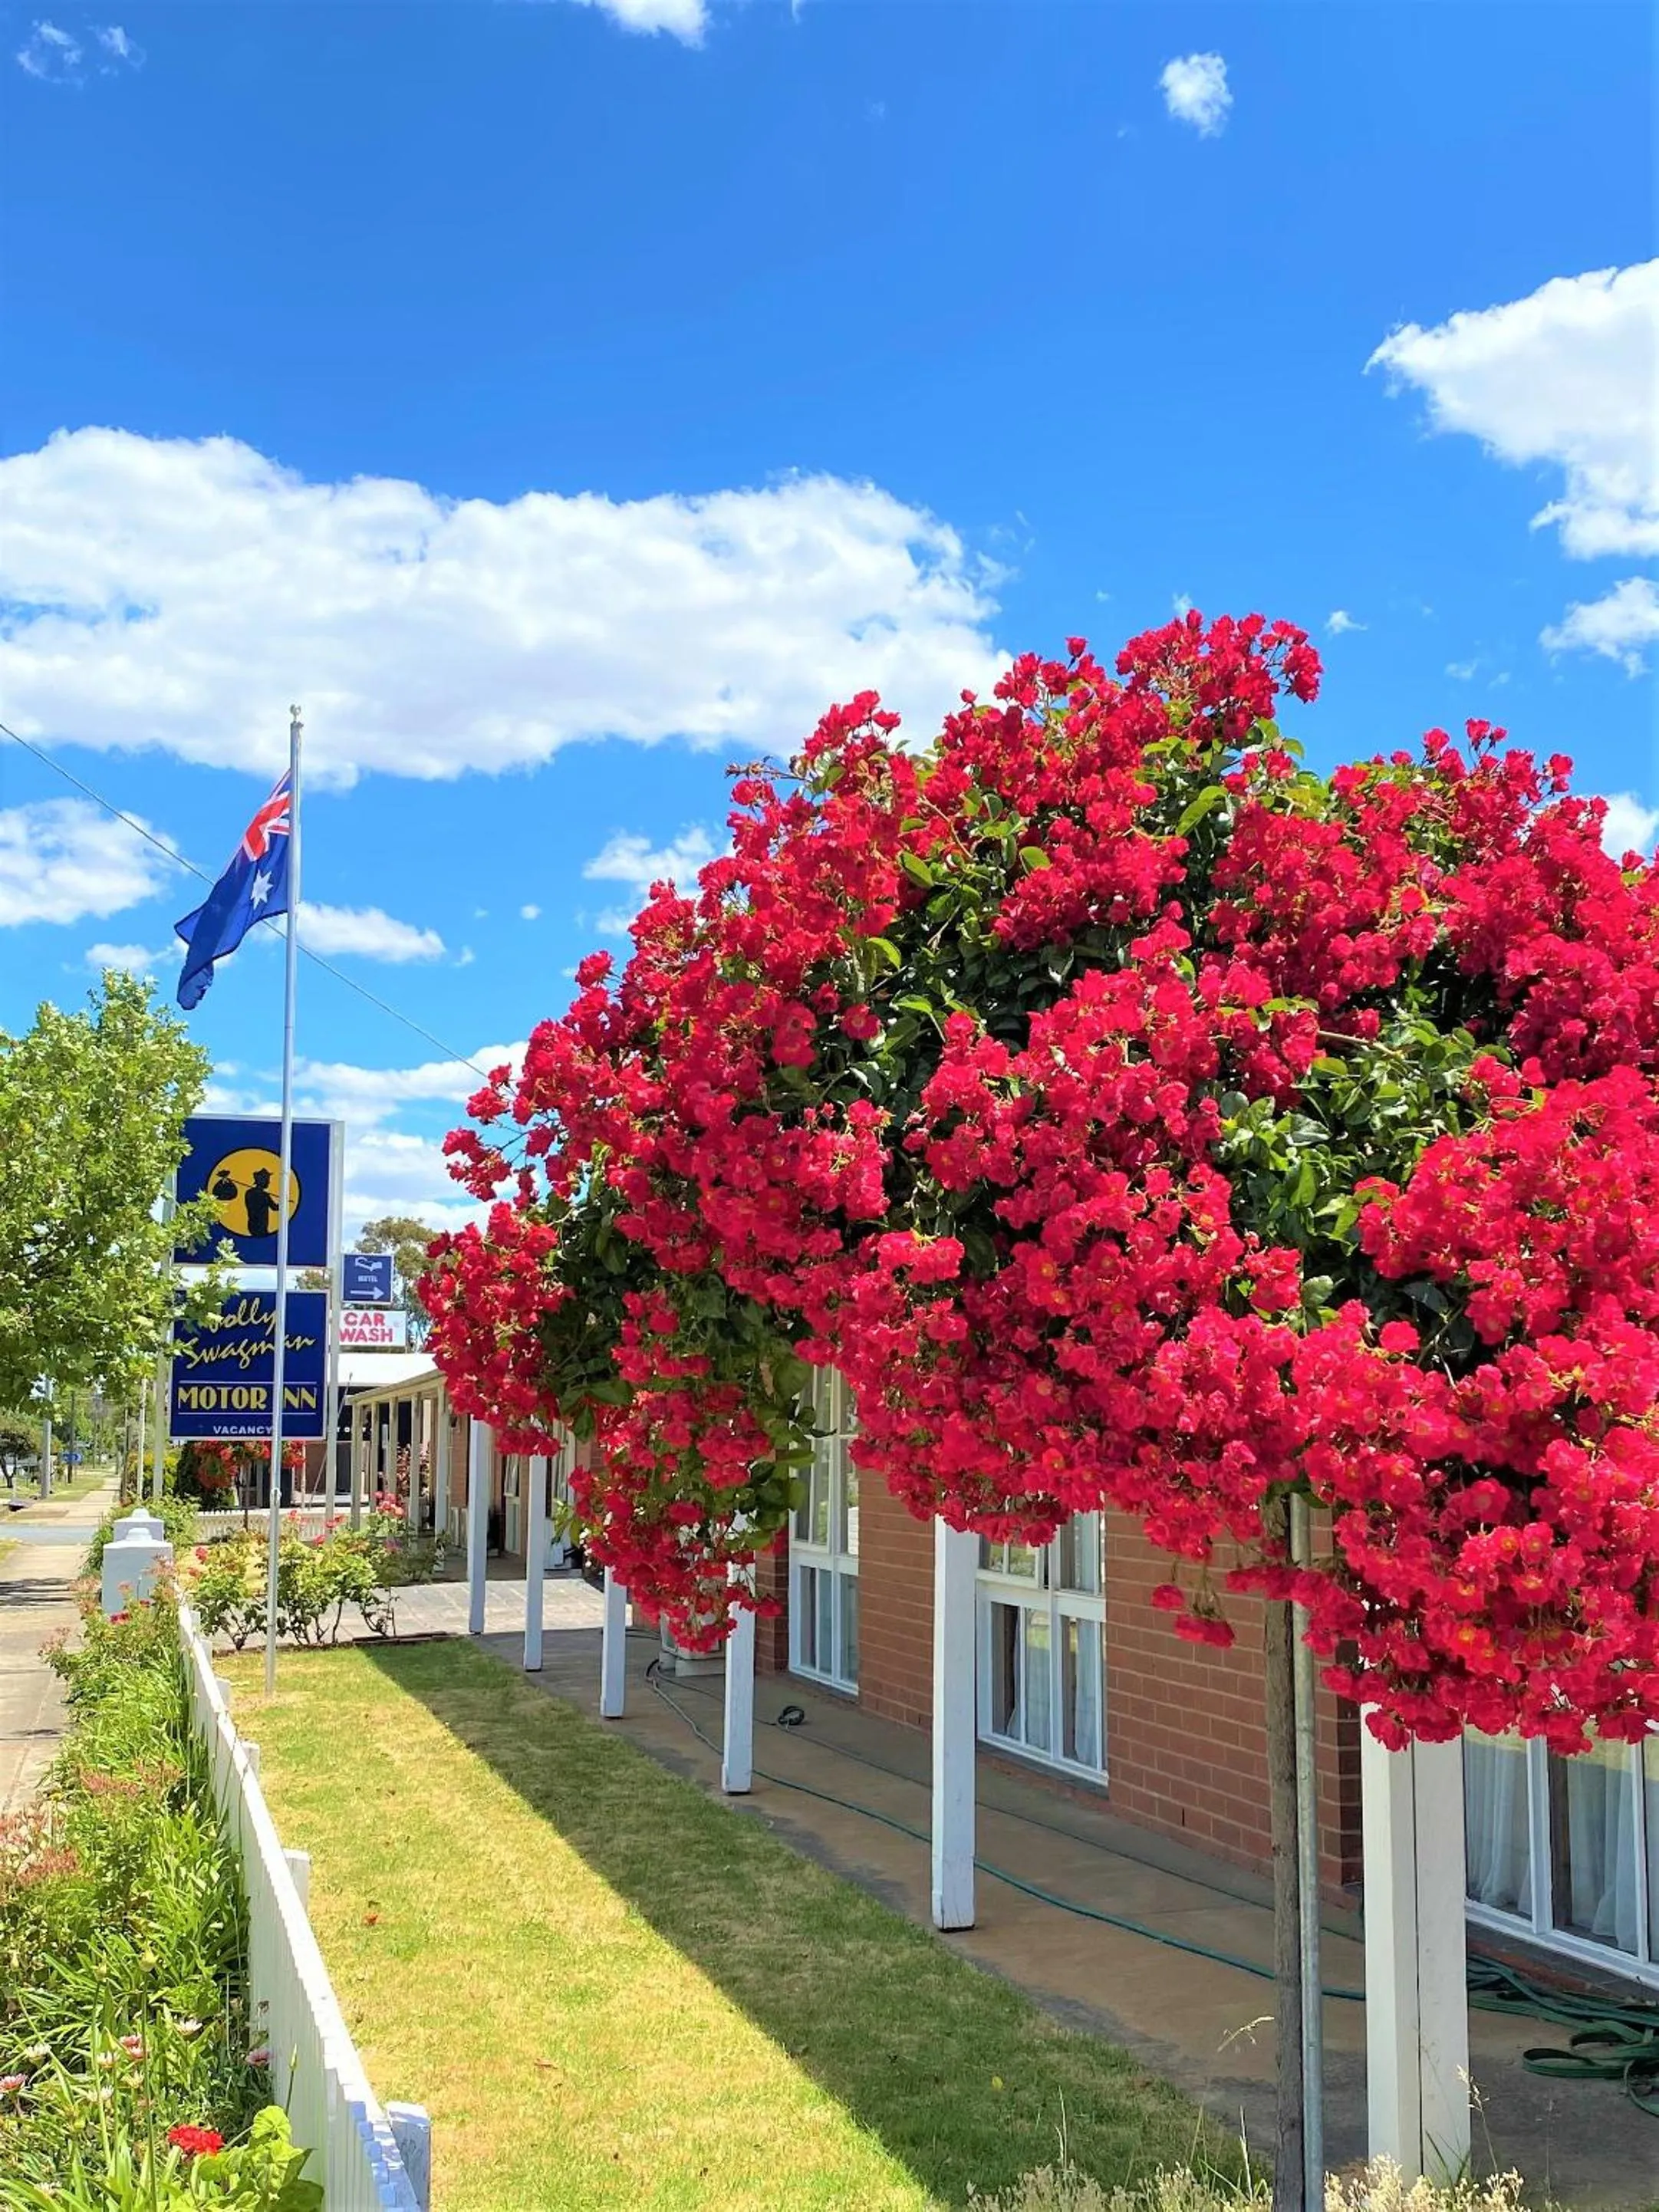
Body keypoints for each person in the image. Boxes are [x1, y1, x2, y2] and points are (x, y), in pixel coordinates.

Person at [243, 1167, 280, 1239]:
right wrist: (284, 1203)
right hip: (261, 1226)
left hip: (252, 1225)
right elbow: (275, 1207)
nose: (269, 1182)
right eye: (268, 1180)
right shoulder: (264, 1196)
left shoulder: (249, 1193)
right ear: (263, 1181)